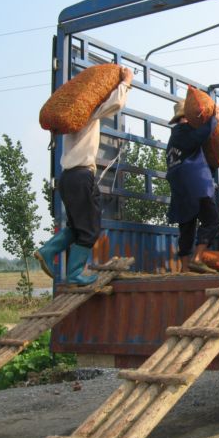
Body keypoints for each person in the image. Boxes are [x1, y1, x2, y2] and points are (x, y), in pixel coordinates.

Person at [35, 66, 134, 285]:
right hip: (81, 176)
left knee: (78, 226)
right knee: (90, 230)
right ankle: (73, 272)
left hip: (67, 178)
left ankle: (49, 251)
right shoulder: (85, 113)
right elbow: (115, 104)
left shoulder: (69, 119)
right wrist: (126, 82)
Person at [166, 100, 219, 273]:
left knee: (186, 225)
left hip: (180, 189)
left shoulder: (173, 139)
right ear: (187, 116)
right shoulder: (185, 130)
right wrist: (215, 119)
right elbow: (200, 135)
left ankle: (184, 268)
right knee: (212, 221)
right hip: (196, 184)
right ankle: (197, 259)